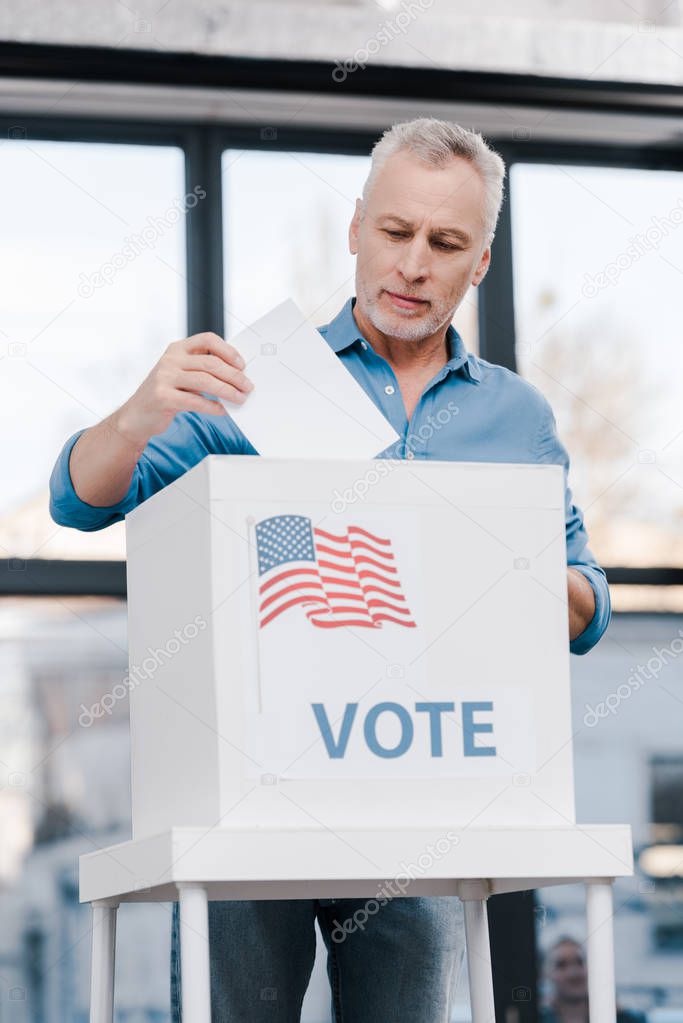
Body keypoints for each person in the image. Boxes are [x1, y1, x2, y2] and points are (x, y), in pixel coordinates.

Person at [49, 117, 611, 1022]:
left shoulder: (515, 417)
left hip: (419, 795)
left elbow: (586, 612)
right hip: (251, 784)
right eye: (394, 233)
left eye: (445, 243)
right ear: (355, 228)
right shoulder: (259, 384)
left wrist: (486, 552)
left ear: (481, 262)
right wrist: (135, 414)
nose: (413, 264)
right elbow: (78, 498)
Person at [540, 936, 646, 1023]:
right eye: (561, 965)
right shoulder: (538, 1018)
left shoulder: (625, 1019)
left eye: (579, 962)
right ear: (547, 974)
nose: (573, 973)